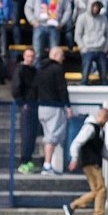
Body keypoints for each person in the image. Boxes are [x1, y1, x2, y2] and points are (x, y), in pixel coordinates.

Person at [62, 108, 108, 215]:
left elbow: (103, 150)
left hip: (93, 163)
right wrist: (74, 159)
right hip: (90, 163)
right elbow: (76, 143)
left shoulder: (99, 130)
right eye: (106, 119)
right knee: (101, 189)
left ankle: (77, 209)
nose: (106, 122)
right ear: (103, 117)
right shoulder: (90, 128)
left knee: (97, 191)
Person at [34, 46, 73, 175]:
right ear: (55, 55)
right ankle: (47, 165)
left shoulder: (40, 68)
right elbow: (62, 88)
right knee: (52, 137)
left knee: (48, 135)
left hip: (41, 107)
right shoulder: (57, 69)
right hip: (54, 107)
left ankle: (48, 164)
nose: (63, 58)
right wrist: (67, 106)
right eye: (61, 55)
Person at [23, 0, 71, 65]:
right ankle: (36, 76)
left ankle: (52, 74)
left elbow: (68, 9)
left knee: (54, 55)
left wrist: (61, 23)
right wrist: (32, 20)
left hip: (54, 26)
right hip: (39, 25)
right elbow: (28, 7)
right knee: (37, 54)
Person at [12, 47, 40, 174]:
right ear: (24, 56)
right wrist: (21, 103)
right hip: (26, 106)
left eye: (32, 56)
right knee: (27, 135)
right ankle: (23, 162)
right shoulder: (20, 70)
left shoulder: (34, 70)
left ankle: (29, 161)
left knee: (32, 136)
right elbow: (16, 88)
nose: (30, 59)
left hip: (34, 105)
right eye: (28, 56)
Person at [75, 0, 108, 84]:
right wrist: (82, 48)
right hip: (87, 50)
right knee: (84, 76)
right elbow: (77, 35)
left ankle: (105, 94)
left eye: (98, 6)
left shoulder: (104, 19)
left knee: (104, 77)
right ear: (89, 6)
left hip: (101, 50)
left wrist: (105, 48)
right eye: (94, 6)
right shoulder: (82, 17)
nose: (96, 8)